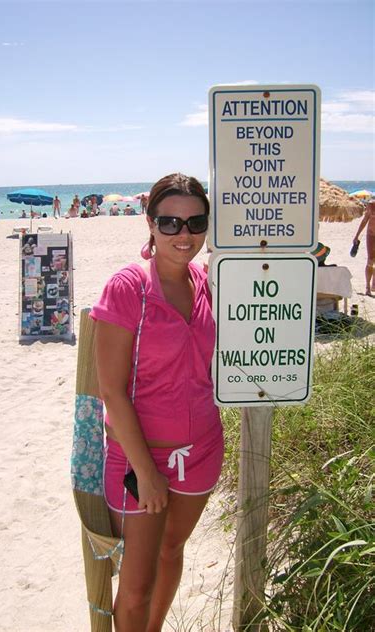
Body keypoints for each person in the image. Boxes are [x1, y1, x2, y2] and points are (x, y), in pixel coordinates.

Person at [90, 173, 224, 631]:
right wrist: (146, 472)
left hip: (203, 450)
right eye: (169, 223)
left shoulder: (209, 284)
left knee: (172, 551)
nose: (183, 235)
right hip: (138, 460)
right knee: (135, 586)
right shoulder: (127, 288)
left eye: (194, 222)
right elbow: (111, 390)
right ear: (150, 224)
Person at [352, 199, 375, 296]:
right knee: (370, 260)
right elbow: (365, 220)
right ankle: (368, 287)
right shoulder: (372, 205)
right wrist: (357, 235)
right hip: (371, 234)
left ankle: (374, 284)